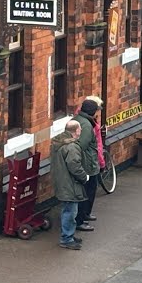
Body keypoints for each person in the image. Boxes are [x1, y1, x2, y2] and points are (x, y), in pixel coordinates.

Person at [51, 120, 87, 250]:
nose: (81, 131)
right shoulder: (71, 147)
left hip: (62, 181)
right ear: (76, 131)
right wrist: (84, 177)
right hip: (70, 184)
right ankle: (67, 239)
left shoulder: (59, 142)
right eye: (80, 129)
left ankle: (69, 235)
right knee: (70, 212)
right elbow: (75, 166)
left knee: (69, 210)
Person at [74, 99, 101, 232]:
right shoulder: (86, 125)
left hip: (88, 164)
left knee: (89, 191)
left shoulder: (82, 121)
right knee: (86, 193)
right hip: (87, 166)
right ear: (92, 112)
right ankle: (80, 220)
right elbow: (81, 146)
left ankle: (84, 215)